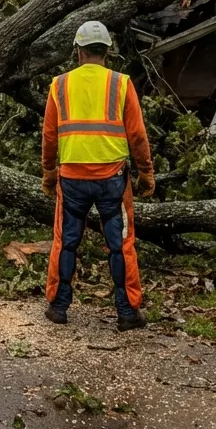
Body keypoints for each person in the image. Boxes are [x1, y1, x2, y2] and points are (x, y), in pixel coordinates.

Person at [41, 20, 154, 332]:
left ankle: (58, 307)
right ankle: (127, 313)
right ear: (107, 51)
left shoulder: (59, 85)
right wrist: (146, 173)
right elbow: (138, 135)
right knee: (121, 245)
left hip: (72, 179)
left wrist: (49, 173)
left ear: (78, 52)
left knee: (66, 242)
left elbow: (49, 136)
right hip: (113, 179)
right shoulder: (121, 83)